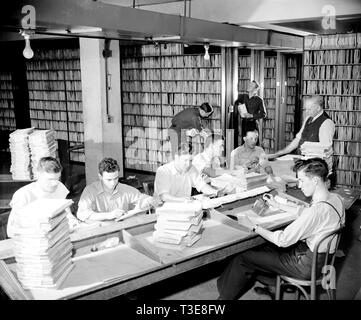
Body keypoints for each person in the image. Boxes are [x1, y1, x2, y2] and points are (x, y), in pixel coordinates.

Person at [217, 158, 344, 300]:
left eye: (302, 180)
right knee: (263, 249)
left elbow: (282, 240)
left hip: (305, 266)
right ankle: (273, 286)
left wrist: (253, 226)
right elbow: (305, 212)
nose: (299, 185)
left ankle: (223, 299)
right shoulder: (335, 199)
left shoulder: (316, 211)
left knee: (243, 257)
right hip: (324, 260)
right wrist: (278, 205)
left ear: (314, 180)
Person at [7, 156, 80, 238]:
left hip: (56, 236)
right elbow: (11, 231)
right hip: (33, 240)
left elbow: (66, 212)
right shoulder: (24, 195)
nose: (55, 183)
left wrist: (72, 221)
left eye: (57, 178)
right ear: (38, 174)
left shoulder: (59, 187)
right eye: (50, 179)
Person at [77, 158, 155, 222]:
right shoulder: (90, 191)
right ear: (100, 176)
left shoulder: (125, 189)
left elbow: (147, 199)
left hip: (120, 227)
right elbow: (82, 214)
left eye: (116, 178)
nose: (113, 183)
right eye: (109, 180)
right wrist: (109, 215)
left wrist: (146, 202)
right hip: (99, 230)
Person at [267, 95, 335, 161]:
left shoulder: (326, 123)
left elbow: (325, 149)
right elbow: (298, 139)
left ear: (318, 108)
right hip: (304, 159)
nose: (306, 111)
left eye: (309, 109)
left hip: (316, 164)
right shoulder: (308, 118)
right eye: (305, 109)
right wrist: (282, 152)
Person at [154, 143, 219, 202]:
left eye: (190, 160)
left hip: (185, 207)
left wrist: (216, 192)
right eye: (185, 160)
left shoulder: (191, 168)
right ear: (176, 157)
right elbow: (164, 197)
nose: (188, 164)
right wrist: (183, 200)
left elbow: (202, 186)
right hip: (164, 209)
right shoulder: (163, 171)